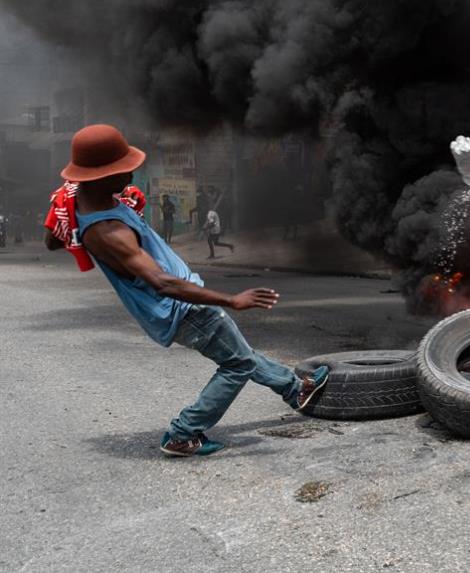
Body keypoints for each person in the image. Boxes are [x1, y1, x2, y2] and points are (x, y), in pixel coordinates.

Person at [44, 124, 329, 457]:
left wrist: (68, 206)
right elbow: (162, 282)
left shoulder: (79, 199)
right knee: (237, 363)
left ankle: (296, 389)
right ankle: (183, 432)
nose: (132, 174)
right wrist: (232, 300)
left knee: (238, 351)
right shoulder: (108, 231)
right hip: (181, 307)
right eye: (123, 170)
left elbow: (52, 239)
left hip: (175, 304)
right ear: (100, 175)